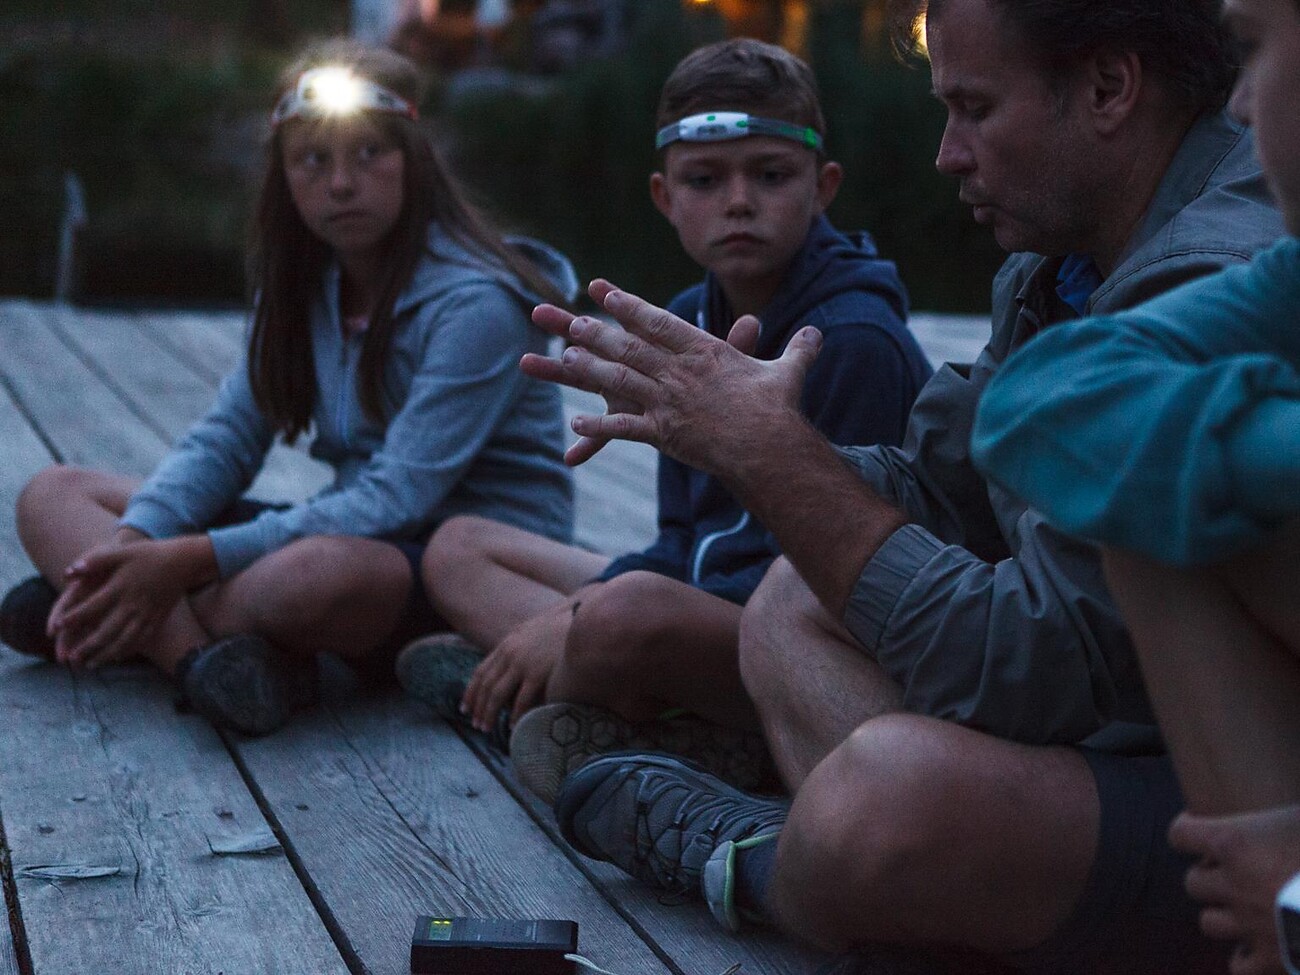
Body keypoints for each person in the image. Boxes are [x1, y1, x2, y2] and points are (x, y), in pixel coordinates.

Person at [518, 0, 1287, 971]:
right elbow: (946, 482)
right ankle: (903, 879)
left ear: (1106, 89)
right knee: (788, 598)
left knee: (889, 799)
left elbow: (1027, 668)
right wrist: (743, 432)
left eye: (974, 109)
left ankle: (764, 859)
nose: (946, 155)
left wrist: (775, 458)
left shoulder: (1209, 272)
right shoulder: (1064, 254)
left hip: (1246, 811)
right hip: (1137, 741)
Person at [396, 37, 931, 802]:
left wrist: (582, 612)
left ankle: (521, 690)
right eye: (705, 180)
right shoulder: (686, 321)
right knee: (459, 547)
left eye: (771, 175)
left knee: (623, 615)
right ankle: (587, 696)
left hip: (805, 636)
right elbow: (683, 535)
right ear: (664, 196)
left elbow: (826, 583)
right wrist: (586, 605)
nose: (738, 200)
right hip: (705, 597)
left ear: (823, 187)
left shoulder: (852, 342)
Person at [0, 39, 576, 737]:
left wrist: (177, 563)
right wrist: (130, 547)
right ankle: (197, 661)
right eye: (313, 159)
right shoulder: (304, 289)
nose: (341, 183)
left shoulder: (478, 305)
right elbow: (225, 440)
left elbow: (397, 496)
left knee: (310, 578)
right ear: (284, 176)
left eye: (369, 153)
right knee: (53, 494)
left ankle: (118, 620)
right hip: (353, 528)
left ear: (414, 161)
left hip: (466, 567)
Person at [970, 0, 1300, 969]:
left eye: (1256, 50)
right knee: (1154, 511)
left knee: (887, 803)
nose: (1237, 106)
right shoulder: (1290, 278)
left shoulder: (1217, 245)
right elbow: (1031, 406)